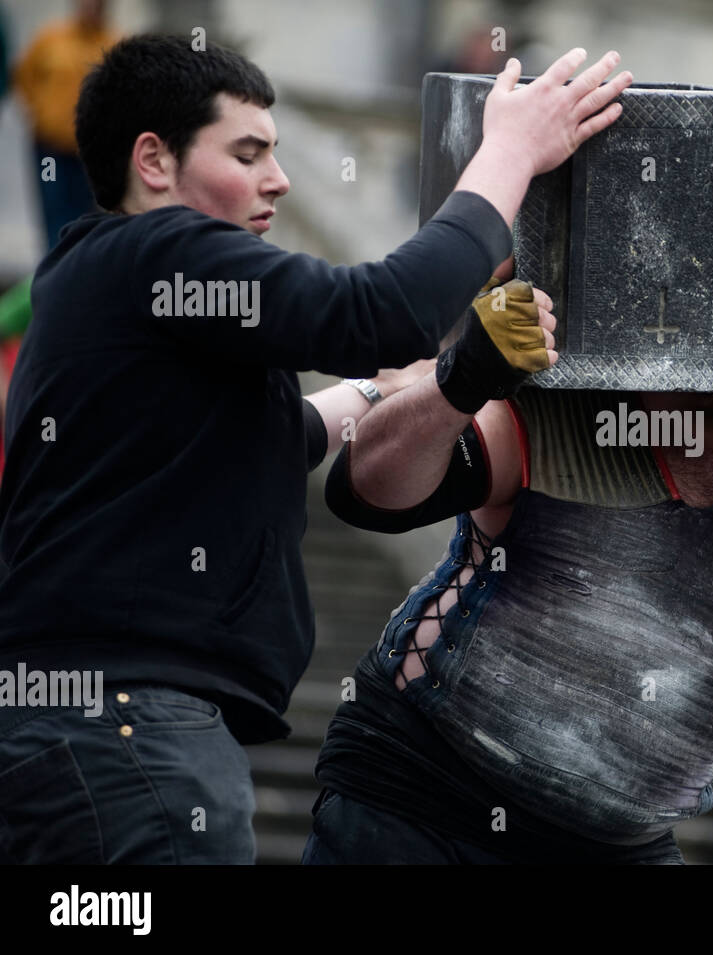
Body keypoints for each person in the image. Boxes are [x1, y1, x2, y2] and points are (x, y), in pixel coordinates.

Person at [0, 33, 632, 864]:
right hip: (132, 737)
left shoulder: (98, 277)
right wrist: (509, 150)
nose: (280, 180)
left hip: (84, 736)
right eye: (249, 152)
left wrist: (408, 386)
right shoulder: (161, 250)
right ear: (152, 161)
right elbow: (380, 310)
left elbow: (282, 434)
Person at [302, 276, 713, 864]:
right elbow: (365, 493)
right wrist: (460, 380)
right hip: (418, 791)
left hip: (619, 843)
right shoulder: (594, 418)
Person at [11, 0, 118, 249]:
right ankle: (52, 261)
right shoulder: (50, 39)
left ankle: (74, 266)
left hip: (89, 153)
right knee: (53, 206)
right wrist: (39, 110)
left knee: (84, 212)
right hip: (49, 150)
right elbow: (24, 76)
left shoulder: (112, 43)